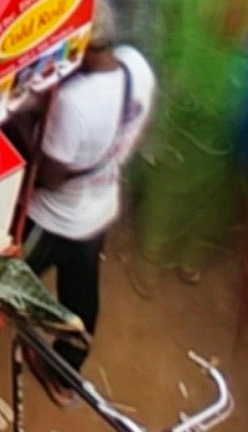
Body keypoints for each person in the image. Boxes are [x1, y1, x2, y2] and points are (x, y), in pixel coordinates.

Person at [19, 23, 156, 341]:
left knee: (3, 287)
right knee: (81, 296)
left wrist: (22, 123)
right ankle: (66, 374)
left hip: (54, 218)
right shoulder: (135, 64)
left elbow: (50, 178)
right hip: (101, 206)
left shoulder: (74, 102)